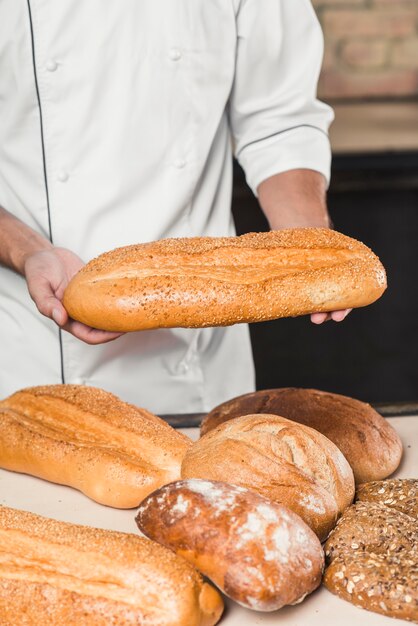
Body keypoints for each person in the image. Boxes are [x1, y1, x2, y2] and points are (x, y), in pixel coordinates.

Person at [0, 0, 349, 414]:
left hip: (198, 368)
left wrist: (307, 246)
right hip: (25, 353)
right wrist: (26, 250)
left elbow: (279, 121)